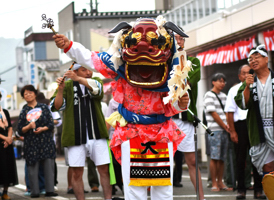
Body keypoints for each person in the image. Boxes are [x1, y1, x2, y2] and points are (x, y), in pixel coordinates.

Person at [53, 16, 190, 200]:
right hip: (131, 132)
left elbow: (175, 101)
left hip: (161, 132)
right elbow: (91, 59)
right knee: (133, 188)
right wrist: (68, 45)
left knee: (163, 187)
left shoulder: (173, 70)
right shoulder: (119, 65)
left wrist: (182, 103)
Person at [235, 44, 274, 198]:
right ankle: (272, 194)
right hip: (259, 130)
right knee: (267, 164)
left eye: (257, 57)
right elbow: (243, 104)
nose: (253, 60)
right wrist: (247, 87)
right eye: (250, 58)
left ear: (266, 59)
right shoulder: (248, 82)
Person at [50, 64, 113, 200]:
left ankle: (108, 198)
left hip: (96, 133)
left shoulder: (96, 81)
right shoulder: (67, 86)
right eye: (83, 70)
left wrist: (78, 78)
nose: (88, 72)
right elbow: (57, 106)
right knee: (77, 172)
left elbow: (97, 91)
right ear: (75, 71)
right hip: (75, 135)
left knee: (103, 169)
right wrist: (60, 90)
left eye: (89, 69)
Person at [171, 30, 205, 200]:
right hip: (167, 119)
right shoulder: (163, 63)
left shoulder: (193, 62)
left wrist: (179, 60)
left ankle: (201, 197)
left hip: (186, 118)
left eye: (181, 38)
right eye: (176, 38)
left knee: (192, 161)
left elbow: (186, 81)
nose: (180, 41)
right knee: (164, 162)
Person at [224, 64, 265, 199]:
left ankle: (258, 190)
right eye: (244, 73)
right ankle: (241, 190)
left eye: (250, 72)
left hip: (256, 125)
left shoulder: (259, 87)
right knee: (240, 160)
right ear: (239, 76)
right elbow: (229, 112)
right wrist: (233, 132)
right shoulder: (234, 89)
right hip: (240, 126)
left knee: (258, 158)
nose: (247, 75)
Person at [17, 85, 57, 198]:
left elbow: (50, 123)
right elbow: (20, 130)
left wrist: (43, 128)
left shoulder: (44, 107)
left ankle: (50, 189)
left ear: (35, 94)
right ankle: (34, 191)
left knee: (49, 166)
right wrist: (29, 127)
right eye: (25, 94)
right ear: (23, 97)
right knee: (32, 167)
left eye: (30, 92)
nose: (28, 95)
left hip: (46, 141)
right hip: (31, 143)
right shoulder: (24, 110)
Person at [203, 73, 232, 192]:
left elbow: (227, 112)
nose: (222, 83)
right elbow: (213, 114)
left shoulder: (224, 96)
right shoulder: (208, 95)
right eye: (220, 81)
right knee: (214, 158)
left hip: (225, 129)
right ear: (213, 82)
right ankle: (214, 183)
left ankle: (221, 182)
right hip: (214, 130)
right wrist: (226, 126)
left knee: (222, 158)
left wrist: (228, 125)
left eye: (224, 81)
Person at [0, 92, 18, 200]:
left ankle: (5, 192)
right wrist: (5, 138)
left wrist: (9, 138)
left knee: (7, 167)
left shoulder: (5, 111)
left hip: (6, 145)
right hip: (2, 141)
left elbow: (10, 127)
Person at [87, 101, 108, 193]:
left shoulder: (103, 105)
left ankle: (112, 185)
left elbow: (107, 120)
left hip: (100, 136)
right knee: (91, 164)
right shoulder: (84, 104)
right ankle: (94, 184)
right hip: (88, 137)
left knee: (105, 165)